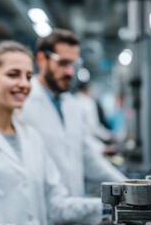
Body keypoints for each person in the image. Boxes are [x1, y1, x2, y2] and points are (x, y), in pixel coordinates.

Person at [0, 41, 104, 225]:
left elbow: (56, 204)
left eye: (28, 76)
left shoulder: (32, 138)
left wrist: (111, 206)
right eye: (13, 75)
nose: (24, 84)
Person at [20, 29, 127, 199]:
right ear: (41, 59)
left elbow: (88, 156)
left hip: (74, 207)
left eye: (74, 64)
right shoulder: (22, 104)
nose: (70, 72)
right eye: (62, 63)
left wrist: (127, 186)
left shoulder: (72, 105)